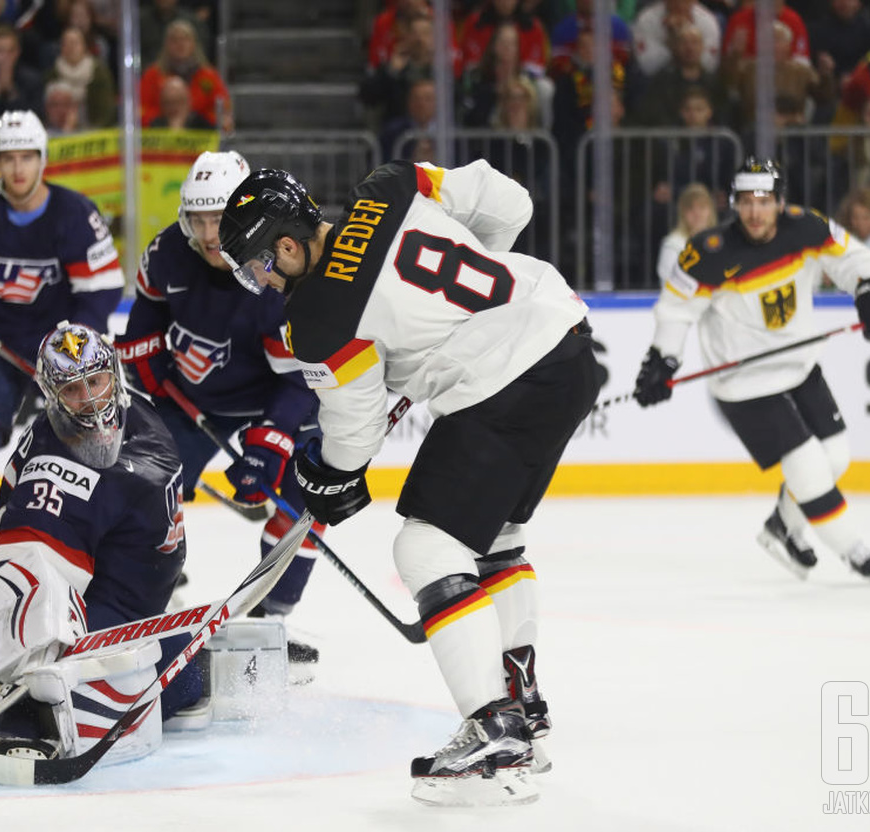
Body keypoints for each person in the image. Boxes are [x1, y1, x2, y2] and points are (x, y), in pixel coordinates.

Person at [218, 160, 601, 805]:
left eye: (259, 264)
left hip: (503, 380)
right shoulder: (389, 188)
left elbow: (356, 431)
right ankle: (520, 701)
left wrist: (330, 474)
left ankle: (492, 729)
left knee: (424, 550)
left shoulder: (317, 317)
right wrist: (463, 308)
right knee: (495, 539)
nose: (262, 280)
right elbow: (511, 203)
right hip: (565, 342)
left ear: (287, 244)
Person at [633, 158, 870, 581]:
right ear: (733, 204)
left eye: (764, 201)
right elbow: (675, 311)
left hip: (800, 364)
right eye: (746, 201)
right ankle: (854, 551)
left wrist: (869, 286)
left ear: (780, 201)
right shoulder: (706, 253)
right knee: (809, 465)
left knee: (835, 456)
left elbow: (851, 256)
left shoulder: (807, 227)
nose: (755, 212)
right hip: (744, 384)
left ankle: (783, 527)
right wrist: (662, 360)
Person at [0, 321, 201, 767]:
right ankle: (18, 718)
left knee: (189, 672)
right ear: (51, 393)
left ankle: (19, 681)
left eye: (96, 381)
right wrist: (37, 649)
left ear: (113, 374)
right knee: (49, 628)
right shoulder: (55, 459)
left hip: (130, 599)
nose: (90, 397)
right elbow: (28, 569)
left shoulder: (140, 420)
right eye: (73, 390)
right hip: (96, 595)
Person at [115, 151, 323, 664]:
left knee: (307, 495)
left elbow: (299, 381)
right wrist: (152, 378)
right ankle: (150, 600)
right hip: (193, 400)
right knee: (142, 488)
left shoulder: (270, 273)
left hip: (273, 395)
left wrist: (268, 444)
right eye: (199, 218)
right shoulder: (166, 252)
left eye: (220, 217)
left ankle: (271, 617)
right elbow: (142, 329)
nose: (210, 234)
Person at [0, 111, 125, 596]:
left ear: (42, 159)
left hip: (62, 350)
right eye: (7, 158)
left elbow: (101, 292)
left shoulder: (73, 214)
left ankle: (125, 551)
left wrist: (67, 352)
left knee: (95, 446)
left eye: (26, 157)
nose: (16, 169)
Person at [655, 182, 717, 285]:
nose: (697, 213)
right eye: (691, 208)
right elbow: (669, 284)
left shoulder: (721, 242)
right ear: (682, 213)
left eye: (702, 207)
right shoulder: (672, 244)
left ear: (710, 211)